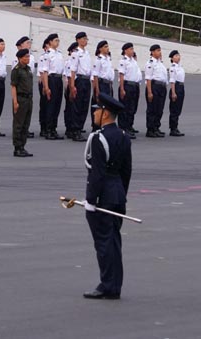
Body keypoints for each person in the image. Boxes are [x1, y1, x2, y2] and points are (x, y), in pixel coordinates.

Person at [82, 93, 133, 300]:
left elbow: (97, 173)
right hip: (118, 195)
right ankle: (114, 285)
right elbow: (126, 171)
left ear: (105, 114)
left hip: (103, 198)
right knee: (113, 242)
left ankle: (107, 285)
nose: (94, 113)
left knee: (104, 244)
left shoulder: (98, 137)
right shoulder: (123, 136)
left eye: (96, 109)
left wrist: (91, 201)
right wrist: (121, 195)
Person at [9, 47, 35, 157]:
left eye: (28, 56)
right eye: (26, 57)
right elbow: (13, 86)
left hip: (28, 99)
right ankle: (17, 147)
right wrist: (15, 102)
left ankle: (23, 146)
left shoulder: (28, 69)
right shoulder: (16, 70)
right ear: (20, 58)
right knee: (18, 124)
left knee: (26, 124)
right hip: (20, 98)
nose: (28, 58)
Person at [40, 34, 65, 140]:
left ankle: (53, 128)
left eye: (58, 40)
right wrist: (46, 87)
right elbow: (45, 72)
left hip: (59, 79)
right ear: (50, 42)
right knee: (50, 105)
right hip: (51, 79)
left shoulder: (59, 54)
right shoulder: (47, 55)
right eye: (55, 40)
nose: (57, 42)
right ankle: (48, 129)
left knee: (57, 105)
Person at [68, 32, 93, 140]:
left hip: (86, 80)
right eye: (83, 39)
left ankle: (80, 128)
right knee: (77, 106)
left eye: (86, 39)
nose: (85, 41)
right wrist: (72, 86)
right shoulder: (75, 53)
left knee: (84, 105)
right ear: (78, 40)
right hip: (80, 80)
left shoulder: (87, 53)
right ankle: (75, 130)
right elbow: (72, 70)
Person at [143, 44, 168, 138]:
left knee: (159, 109)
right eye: (157, 50)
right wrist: (149, 92)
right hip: (154, 86)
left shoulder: (160, 63)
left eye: (160, 50)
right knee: (152, 109)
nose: (159, 52)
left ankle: (156, 128)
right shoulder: (150, 63)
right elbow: (148, 78)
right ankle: (150, 129)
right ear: (152, 52)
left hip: (161, 87)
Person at [117, 43, 141, 137]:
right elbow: (121, 75)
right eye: (131, 49)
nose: (132, 51)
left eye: (133, 49)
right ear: (125, 50)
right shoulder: (123, 61)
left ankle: (129, 126)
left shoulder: (133, 61)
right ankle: (123, 128)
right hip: (127, 85)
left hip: (134, 86)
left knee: (132, 107)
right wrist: (122, 88)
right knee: (125, 108)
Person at [167, 50, 185, 137]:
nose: (178, 57)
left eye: (179, 55)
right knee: (174, 109)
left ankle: (175, 127)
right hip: (176, 87)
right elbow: (172, 81)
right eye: (176, 56)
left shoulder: (180, 67)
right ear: (172, 58)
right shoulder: (173, 68)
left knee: (178, 108)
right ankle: (173, 128)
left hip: (181, 87)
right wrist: (173, 92)